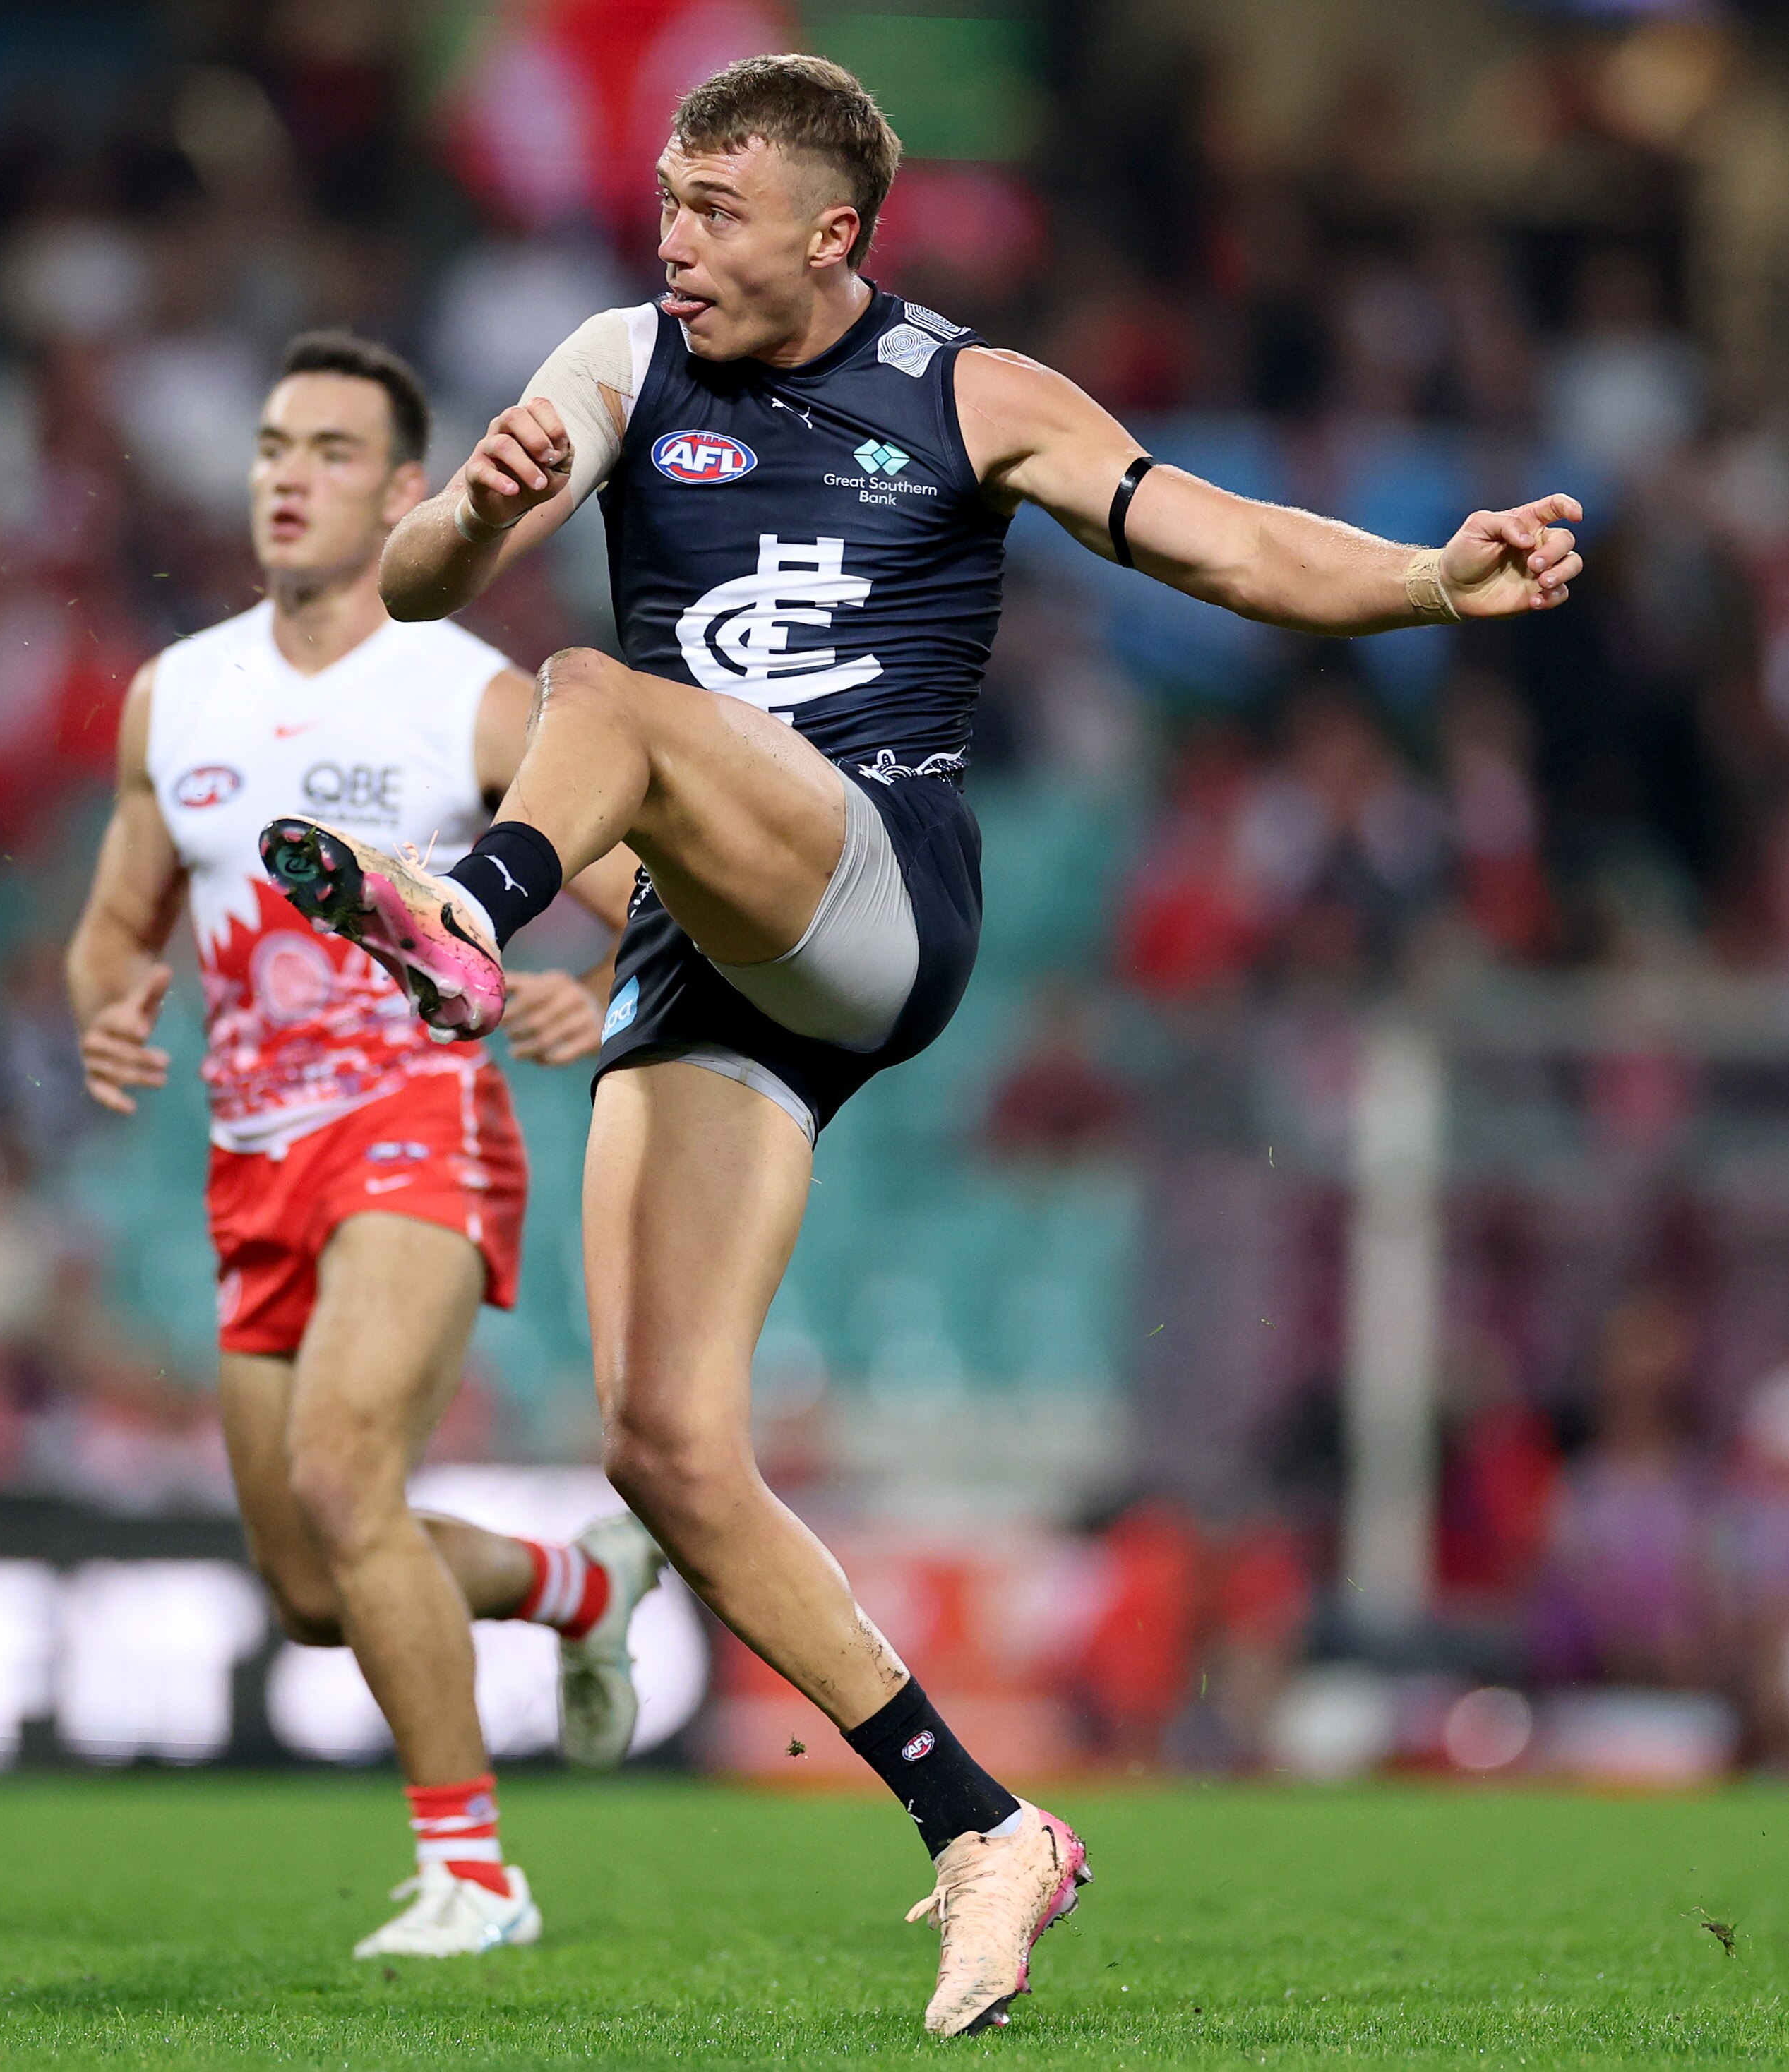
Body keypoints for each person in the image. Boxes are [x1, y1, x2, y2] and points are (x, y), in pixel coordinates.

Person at [261, 55, 1584, 2035]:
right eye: (667, 201)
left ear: (833, 234)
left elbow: (1217, 546)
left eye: (715, 208)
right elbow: (419, 579)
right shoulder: (619, 358)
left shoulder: (977, 396)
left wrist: (1422, 583)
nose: (671, 239)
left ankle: (462, 909)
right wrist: (482, 510)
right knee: (668, 1449)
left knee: (595, 691)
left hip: (874, 886)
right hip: (708, 939)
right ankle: (981, 1828)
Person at [68, 330, 657, 1960]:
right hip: (250, 1155)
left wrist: (587, 991)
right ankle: (575, 1588)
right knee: (314, 1586)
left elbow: (649, 896)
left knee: (344, 1473)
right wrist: (105, 1006)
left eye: (329, 451)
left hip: (415, 1116)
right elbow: (117, 921)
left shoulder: (465, 692)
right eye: (270, 445)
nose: (284, 474)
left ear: (407, 491)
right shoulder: (170, 690)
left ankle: (474, 1874)